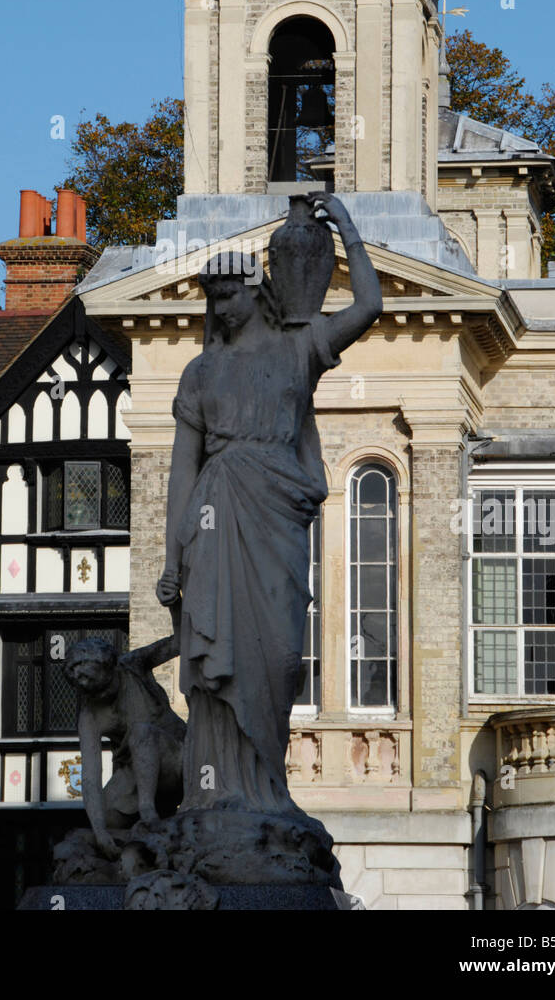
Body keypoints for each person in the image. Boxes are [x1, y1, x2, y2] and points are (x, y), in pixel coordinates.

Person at [156, 192, 382, 815]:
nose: (220, 306)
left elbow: (369, 306)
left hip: (276, 510)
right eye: (212, 297)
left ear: (257, 292)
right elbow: (182, 470)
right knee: (213, 660)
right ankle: (215, 797)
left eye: (229, 293)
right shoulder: (199, 374)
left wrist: (348, 232)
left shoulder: (297, 347)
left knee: (279, 656)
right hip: (216, 511)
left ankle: (267, 791)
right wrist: (173, 558)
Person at [62, 607, 185, 859]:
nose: (90, 693)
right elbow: (90, 777)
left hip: (180, 759)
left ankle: (148, 814)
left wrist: (175, 606)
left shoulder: (133, 666)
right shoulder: (90, 715)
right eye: (81, 687)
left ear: (110, 668)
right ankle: (135, 835)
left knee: (141, 733)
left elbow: (180, 642)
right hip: (135, 775)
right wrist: (99, 832)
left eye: (95, 685)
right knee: (105, 815)